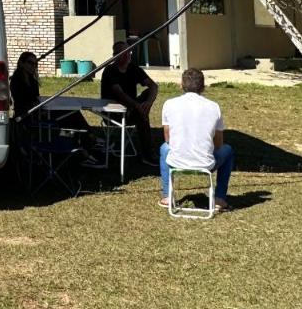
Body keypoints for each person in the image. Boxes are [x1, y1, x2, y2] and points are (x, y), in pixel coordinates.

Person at [159, 68, 235, 211]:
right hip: (205, 164)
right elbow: (219, 144)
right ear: (203, 87)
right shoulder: (214, 107)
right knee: (228, 150)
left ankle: (167, 196)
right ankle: (219, 198)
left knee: (164, 148)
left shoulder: (169, 104)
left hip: (176, 162)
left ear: (181, 85)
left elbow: (168, 138)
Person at [10, 51, 101, 163]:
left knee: (72, 114)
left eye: (35, 64)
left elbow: (36, 99)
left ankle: (87, 140)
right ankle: (88, 141)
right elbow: (23, 102)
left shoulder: (32, 80)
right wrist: (39, 108)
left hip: (40, 111)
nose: (33, 66)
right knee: (69, 120)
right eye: (30, 63)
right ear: (21, 63)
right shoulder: (16, 81)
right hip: (29, 117)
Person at [98, 39, 159, 165]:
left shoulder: (133, 68)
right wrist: (137, 106)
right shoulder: (110, 71)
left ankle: (148, 153)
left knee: (147, 95)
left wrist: (147, 103)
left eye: (129, 52)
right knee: (142, 117)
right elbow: (120, 94)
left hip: (133, 110)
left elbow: (153, 86)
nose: (128, 56)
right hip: (114, 113)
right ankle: (148, 154)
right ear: (116, 56)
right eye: (124, 53)